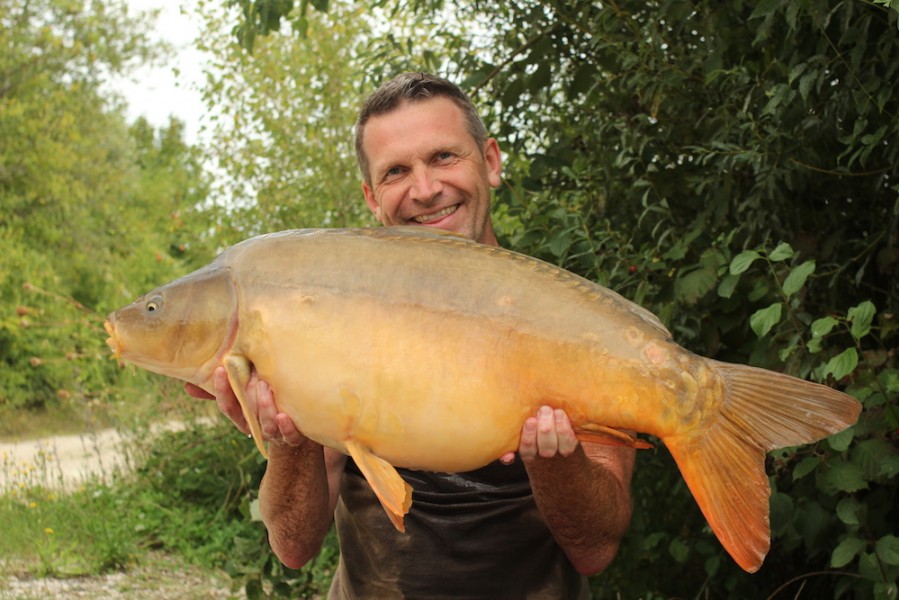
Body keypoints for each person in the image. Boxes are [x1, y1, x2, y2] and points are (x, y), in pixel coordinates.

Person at [187, 72, 635, 599]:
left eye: (444, 157)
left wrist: (555, 464)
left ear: (489, 161)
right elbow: (293, 545)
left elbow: (595, 550)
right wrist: (289, 442)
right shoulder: (329, 311)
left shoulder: (574, 321)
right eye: (396, 171)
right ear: (371, 197)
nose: (425, 190)